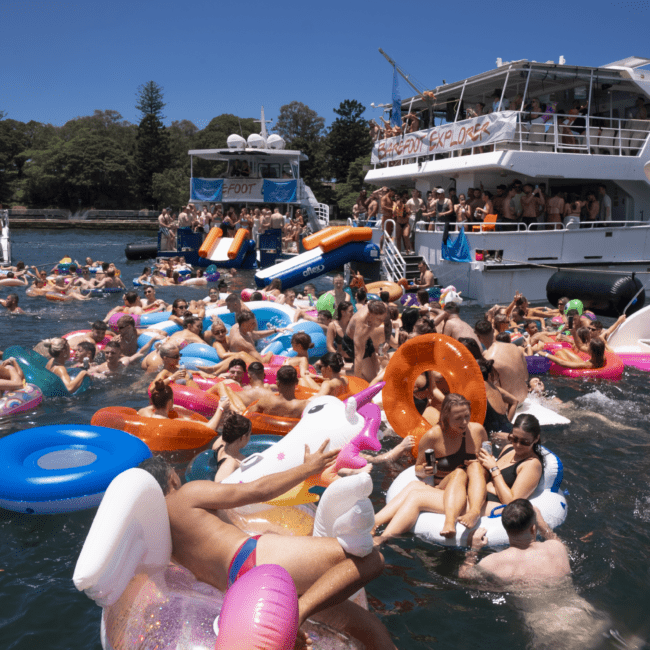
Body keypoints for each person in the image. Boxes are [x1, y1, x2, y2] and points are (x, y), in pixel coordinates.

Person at [138, 450, 395, 650]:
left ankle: (298, 610)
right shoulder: (184, 495)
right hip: (253, 560)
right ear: (171, 477)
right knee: (372, 558)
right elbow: (257, 490)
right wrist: (308, 468)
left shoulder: (159, 535)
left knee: (369, 628)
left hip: (241, 591)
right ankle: (298, 613)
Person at [373, 394, 488, 542]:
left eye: (467, 416)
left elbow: (488, 456)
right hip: (445, 490)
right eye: (458, 418)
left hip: (474, 492)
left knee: (472, 467)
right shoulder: (433, 436)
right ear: (446, 416)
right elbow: (418, 469)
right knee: (454, 474)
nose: (464, 422)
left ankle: (382, 536)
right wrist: (424, 470)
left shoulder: (478, 431)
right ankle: (376, 526)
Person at [344, 300, 388, 381]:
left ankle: (356, 370)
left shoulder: (382, 306)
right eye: (379, 319)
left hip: (367, 338)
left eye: (383, 318)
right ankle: (342, 373)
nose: (381, 322)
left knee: (377, 369)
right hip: (351, 341)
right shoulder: (362, 326)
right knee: (371, 379)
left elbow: (371, 302)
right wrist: (358, 382)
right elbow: (358, 358)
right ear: (369, 315)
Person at [246, 365, 311, 419]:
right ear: (296, 382)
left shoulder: (264, 402)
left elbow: (248, 416)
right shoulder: (305, 406)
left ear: (277, 383)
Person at [210, 412, 253, 482]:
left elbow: (230, 428)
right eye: (249, 434)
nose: (249, 437)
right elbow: (219, 487)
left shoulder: (218, 444)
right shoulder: (230, 463)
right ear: (243, 438)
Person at [538, 338, 606, 370]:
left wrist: (546, 355)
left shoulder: (588, 365)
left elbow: (563, 363)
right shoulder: (602, 357)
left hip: (578, 373)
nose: (586, 347)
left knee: (559, 353)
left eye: (588, 347)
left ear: (591, 351)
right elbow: (581, 347)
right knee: (564, 350)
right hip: (588, 362)